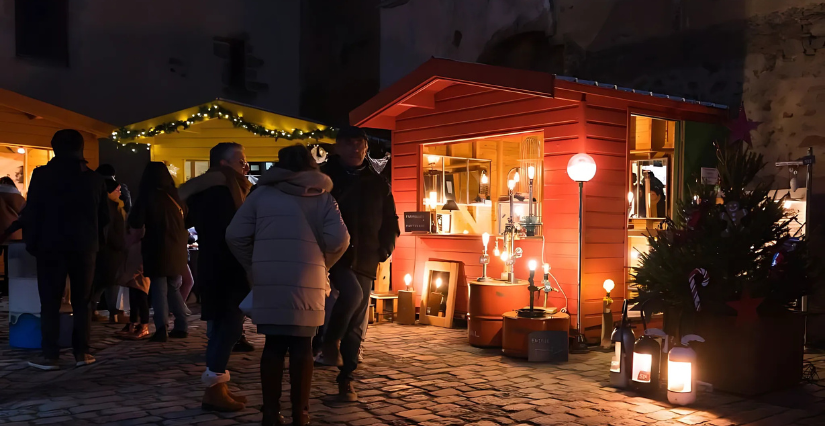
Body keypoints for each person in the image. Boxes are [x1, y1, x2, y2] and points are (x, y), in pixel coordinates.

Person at [226, 144, 349, 426]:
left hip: (269, 278)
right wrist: (323, 263)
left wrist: (252, 264)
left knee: (273, 346)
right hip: (310, 278)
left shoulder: (261, 195)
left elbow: (234, 235)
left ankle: (270, 413)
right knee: (303, 346)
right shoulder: (324, 198)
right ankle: (301, 414)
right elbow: (340, 240)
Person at [318, 126, 399, 401]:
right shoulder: (325, 178)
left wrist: (385, 248)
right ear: (337, 147)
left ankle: (346, 378)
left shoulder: (377, 181)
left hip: (366, 256)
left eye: (360, 143)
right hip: (333, 254)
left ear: (366, 147)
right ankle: (326, 344)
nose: (356, 148)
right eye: (349, 143)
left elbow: (390, 218)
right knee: (348, 297)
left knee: (355, 322)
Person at [22, 129, 109, 370]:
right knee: (83, 300)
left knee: (49, 301)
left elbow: (33, 212)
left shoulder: (42, 175)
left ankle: (50, 354)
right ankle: (82, 352)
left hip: (50, 246)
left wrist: (33, 242)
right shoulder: (94, 179)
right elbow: (104, 217)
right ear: (81, 148)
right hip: (85, 247)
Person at [180, 142, 253, 412]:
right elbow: (231, 233)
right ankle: (214, 388)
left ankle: (218, 386)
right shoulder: (221, 192)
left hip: (220, 265)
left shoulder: (222, 189)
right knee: (229, 328)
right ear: (223, 164)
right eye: (240, 161)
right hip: (226, 267)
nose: (244, 166)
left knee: (227, 328)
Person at [128, 162, 189, 342]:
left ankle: (162, 328)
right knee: (172, 287)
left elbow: (136, 222)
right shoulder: (178, 195)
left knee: (159, 288)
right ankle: (182, 324)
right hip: (178, 246)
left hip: (157, 246)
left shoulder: (148, 196)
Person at [90, 179, 127, 324]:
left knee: (103, 283)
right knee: (110, 282)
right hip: (111, 251)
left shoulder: (115, 206)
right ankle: (114, 312)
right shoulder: (109, 208)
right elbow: (112, 231)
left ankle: (94, 310)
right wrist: (122, 244)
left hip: (108, 251)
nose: (119, 193)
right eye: (116, 190)